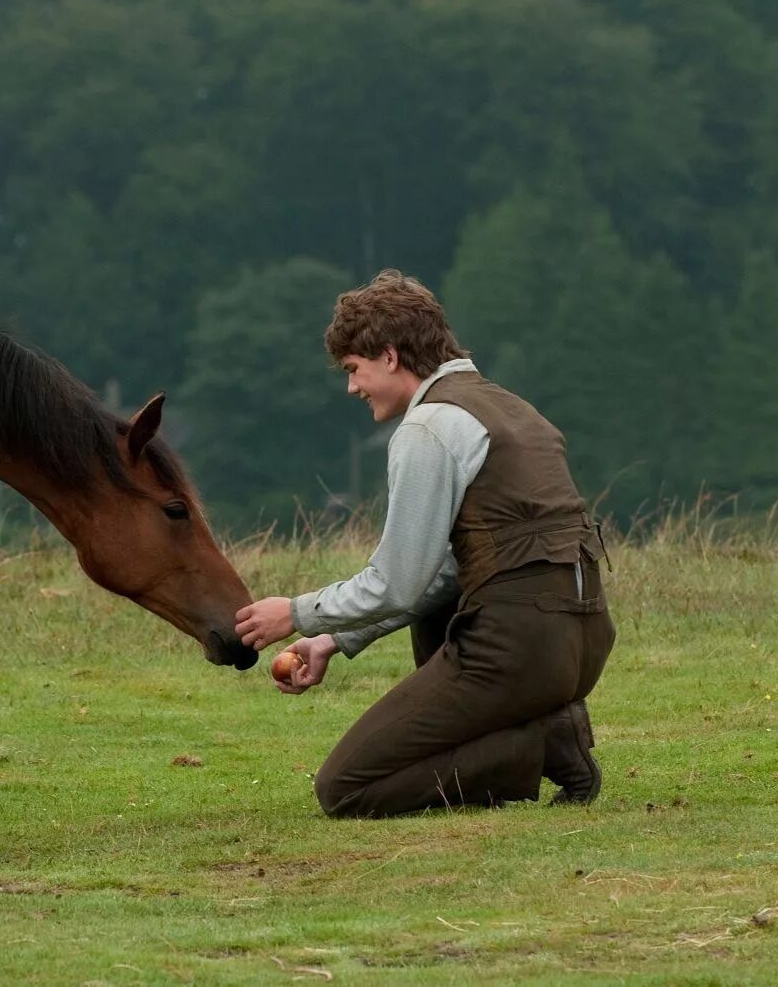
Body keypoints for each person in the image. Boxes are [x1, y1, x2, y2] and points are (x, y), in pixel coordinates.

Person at [234, 271, 615, 817]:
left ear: (389, 356)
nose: (352, 387)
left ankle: (547, 742)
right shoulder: (511, 408)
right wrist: (334, 640)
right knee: (431, 625)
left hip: (516, 651)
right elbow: (445, 574)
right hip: (580, 643)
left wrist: (295, 615)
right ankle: (545, 730)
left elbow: (398, 581)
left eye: (353, 369)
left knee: (345, 789)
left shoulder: (430, 427)